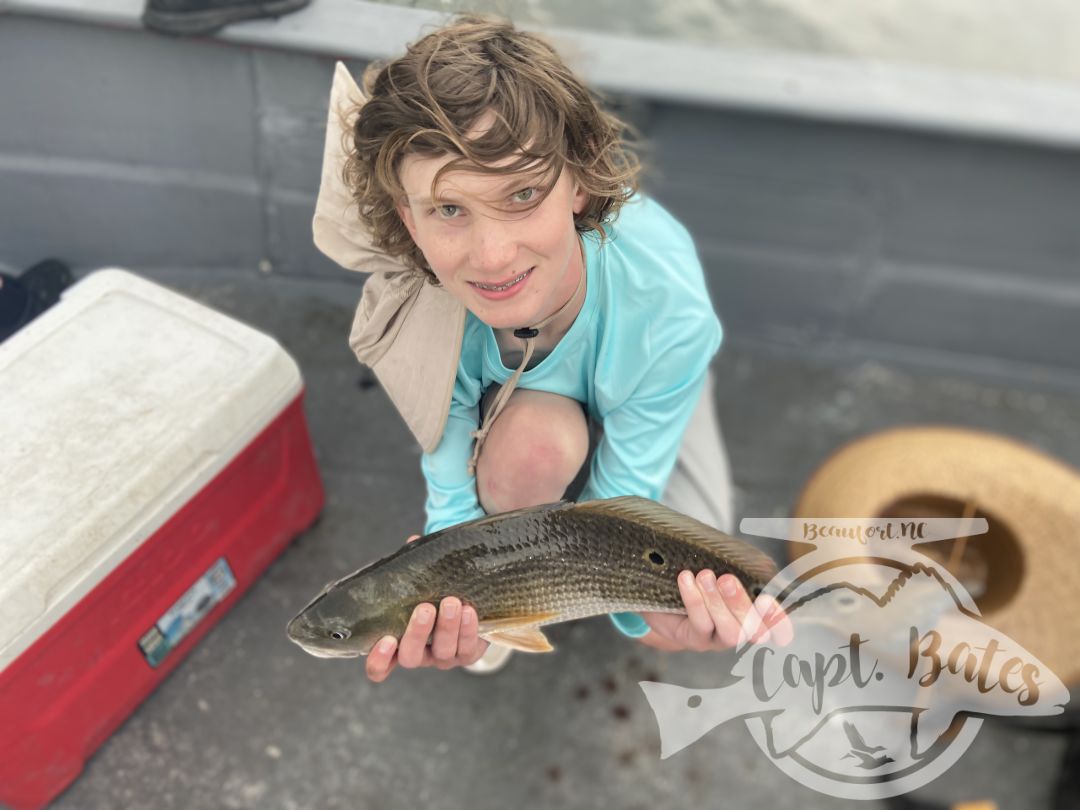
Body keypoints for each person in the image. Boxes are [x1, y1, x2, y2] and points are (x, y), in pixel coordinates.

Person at [312, 15, 785, 682]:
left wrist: (642, 613)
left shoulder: (668, 311)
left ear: (580, 182)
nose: (492, 255)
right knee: (533, 451)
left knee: (695, 612)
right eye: (449, 210)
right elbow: (453, 505)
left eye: (524, 194)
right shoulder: (425, 310)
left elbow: (623, 508)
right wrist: (463, 607)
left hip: (648, 370)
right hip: (531, 412)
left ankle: (570, 598)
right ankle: (510, 615)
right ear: (405, 216)